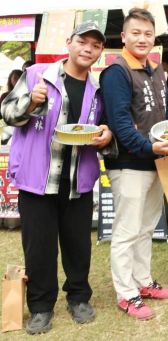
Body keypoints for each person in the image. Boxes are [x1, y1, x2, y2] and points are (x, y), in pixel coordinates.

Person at [1, 22, 113, 335]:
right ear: (69, 42)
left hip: (78, 179)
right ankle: (40, 306)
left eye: (95, 45)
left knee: (78, 245)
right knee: (39, 247)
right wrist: (31, 102)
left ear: (100, 51)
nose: (88, 48)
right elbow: (7, 113)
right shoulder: (37, 75)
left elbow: (104, 128)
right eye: (82, 41)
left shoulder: (97, 91)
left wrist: (106, 134)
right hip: (37, 179)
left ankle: (79, 298)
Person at [100, 8, 168, 320]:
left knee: (147, 227)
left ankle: (143, 281)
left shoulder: (155, 69)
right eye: (135, 33)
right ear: (123, 36)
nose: (142, 39)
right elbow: (121, 125)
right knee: (126, 230)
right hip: (129, 164)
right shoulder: (116, 72)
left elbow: (167, 113)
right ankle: (126, 294)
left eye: (148, 34)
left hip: (157, 161)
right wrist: (151, 147)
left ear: (154, 38)